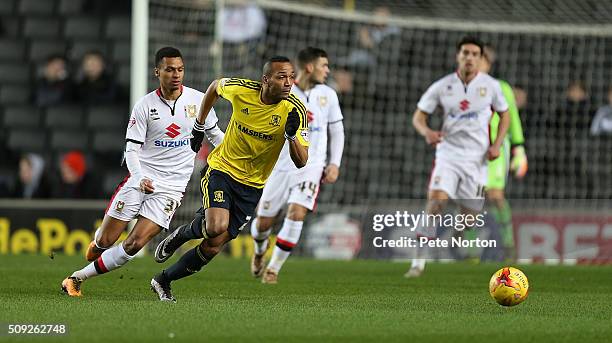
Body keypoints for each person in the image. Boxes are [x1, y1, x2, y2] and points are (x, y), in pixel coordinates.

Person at [60, 47, 224, 297]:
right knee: (106, 241)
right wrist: (139, 178)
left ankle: (76, 278)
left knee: (134, 244)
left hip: (171, 189)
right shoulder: (145, 105)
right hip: (140, 180)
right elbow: (131, 150)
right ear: (157, 71)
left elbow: (215, 137)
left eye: (180, 69)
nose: (176, 74)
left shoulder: (199, 101)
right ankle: (98, 242)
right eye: (169, 70)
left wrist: (238, 154)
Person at [150, 56, 309, 302]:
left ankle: (163, 280)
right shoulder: (242, 90)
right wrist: (199, 126)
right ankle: (181, 235)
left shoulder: (295, 110)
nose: (289, 82)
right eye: (282, 77)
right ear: (266, 80)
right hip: (222, 169)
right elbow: (214, 87)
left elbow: (302, 161)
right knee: (215, 226)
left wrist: (291, 136)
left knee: (213, 246)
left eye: (291, 77)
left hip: (253, 185)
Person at [405, 36, 510, 278]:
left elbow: (505, 116)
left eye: (475, 54)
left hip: (477, 159)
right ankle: (418, 262)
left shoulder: (491, 86)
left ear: (481, 58)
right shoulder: (442, 86)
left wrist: (497, 145)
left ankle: (458, 232)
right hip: (448, 155)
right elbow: (418, 117)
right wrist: (427, 132)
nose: (470, 58)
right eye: (465, 53)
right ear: (458, 56)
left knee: (470, 216)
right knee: (436, 202)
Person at [249, 47, 345, 284]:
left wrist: (334, 163)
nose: (327, 70)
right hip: (280, 166)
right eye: (324, 65)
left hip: (311, 165)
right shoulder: (282, 93)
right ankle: (260, 251)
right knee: (263, 223)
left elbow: (337, 130)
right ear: (309, 67)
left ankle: (273, 269)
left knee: (297, 212)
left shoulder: (328, 95)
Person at [476, 45, 528, 259]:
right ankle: (471, 253)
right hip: (472, 149)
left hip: (497, 148)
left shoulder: (501, 87)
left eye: (482, 60)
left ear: (488, 64)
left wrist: (519, 148)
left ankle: (508, 244)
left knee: (496, 196)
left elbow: (512, 117)